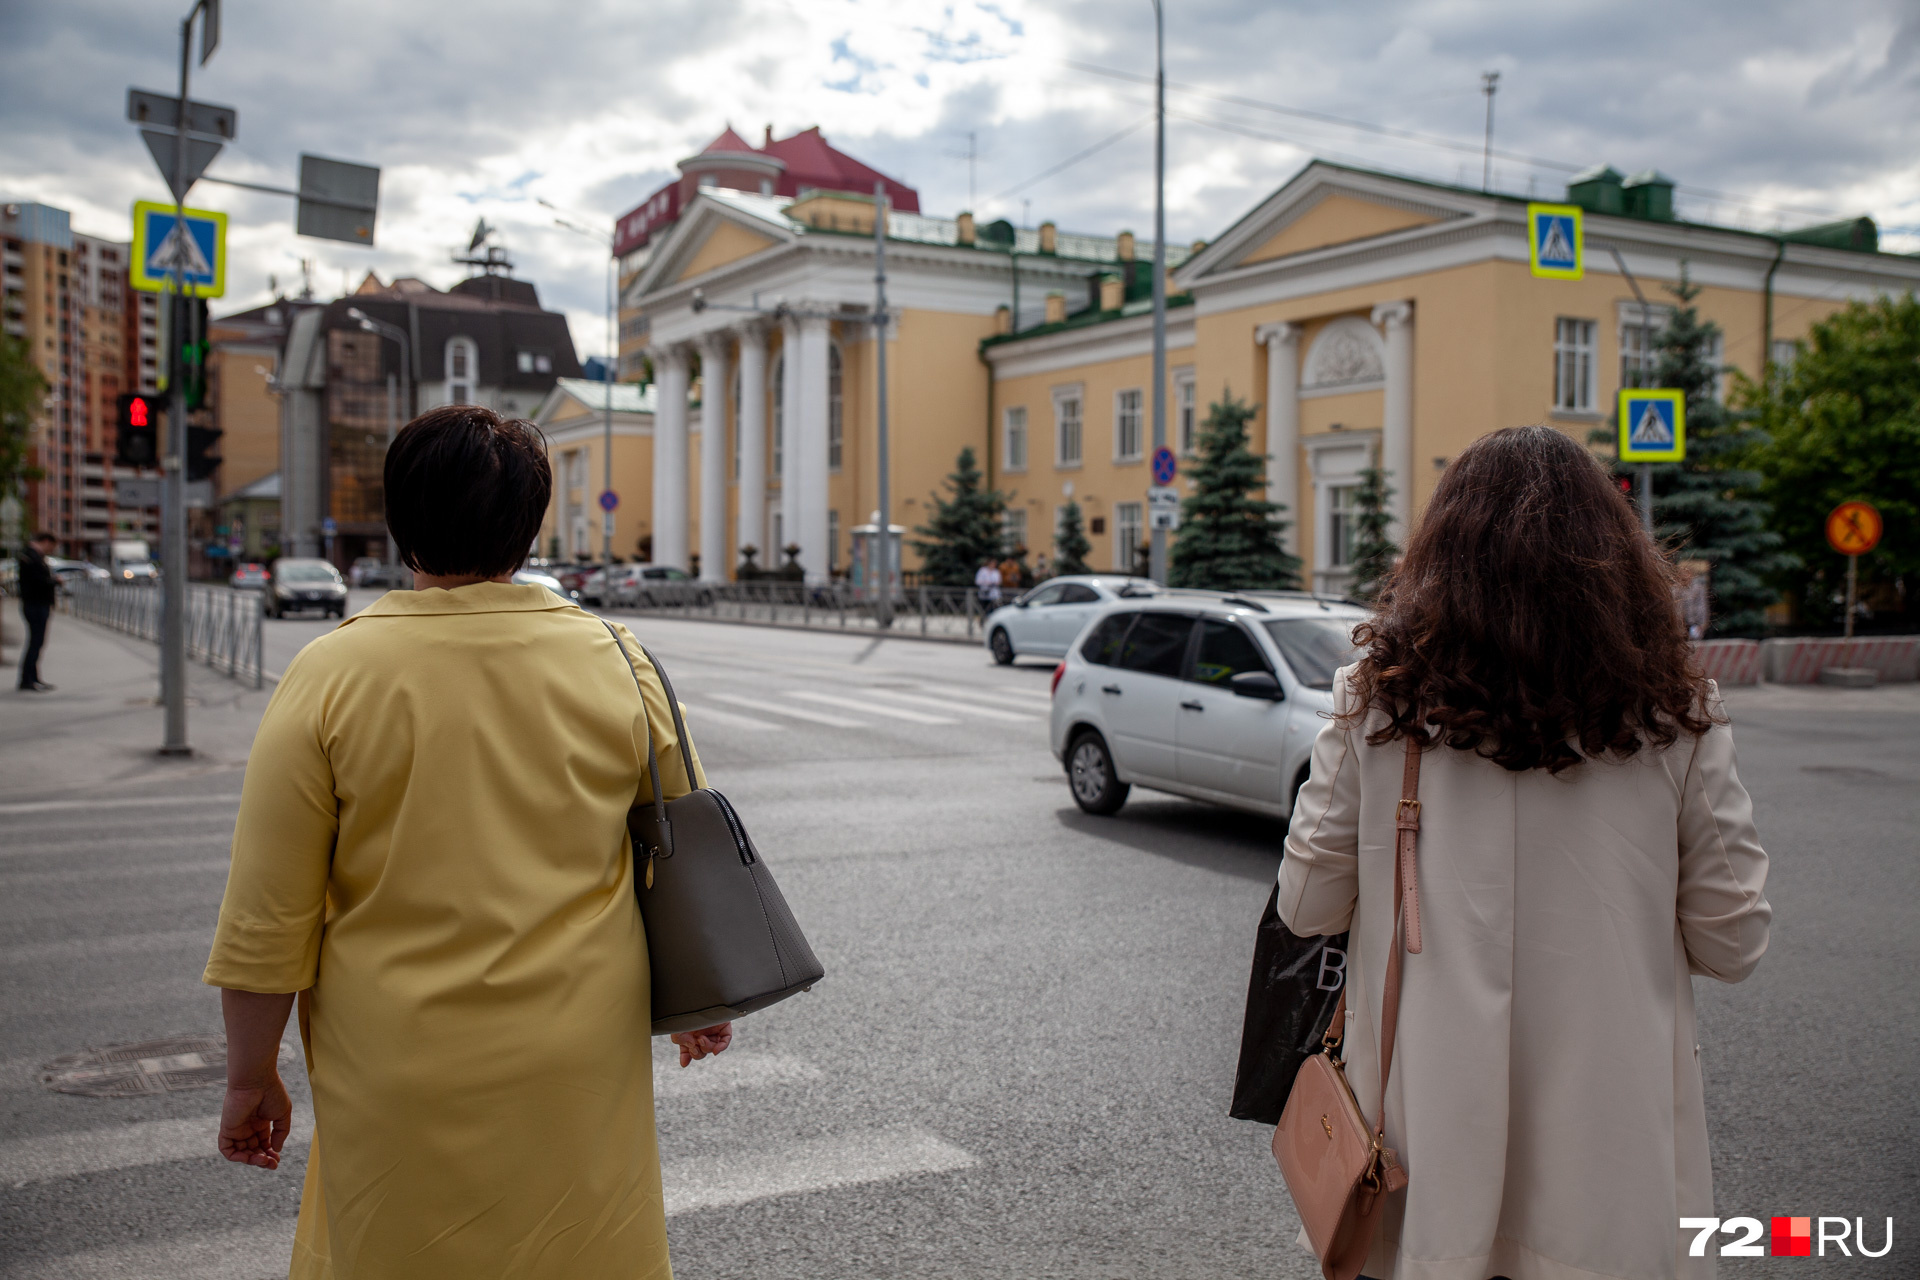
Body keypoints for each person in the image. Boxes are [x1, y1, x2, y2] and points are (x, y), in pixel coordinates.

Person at [204, 404, 733, 1280]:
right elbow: (680, 843)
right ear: (529, 528)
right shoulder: (614, 656)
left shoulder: (330, 674)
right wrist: (702, 998)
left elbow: (269, 915)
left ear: (399, 521)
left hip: (395, 1059)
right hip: (578, 1053)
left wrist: (249, 1076)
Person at [1279, 425, 1770, 1280]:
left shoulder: (1375, 702)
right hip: (1606, 1172)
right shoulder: (1678, 714)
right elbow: (1734, 943)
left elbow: (1305, 905)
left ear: (1440, 557)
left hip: (1421, 1160)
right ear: (1616, 562)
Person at [15, 531, 57, 692]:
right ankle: (28, 680)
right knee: (35, 642)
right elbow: (37, 581)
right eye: (51, 546)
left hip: (35, 603)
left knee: (36, 642)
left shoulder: (30, 555)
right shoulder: (31, 557)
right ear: (46, 541)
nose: (50, 550)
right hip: (36, 604)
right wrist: (53, 581)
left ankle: (33, 678)